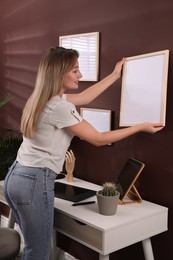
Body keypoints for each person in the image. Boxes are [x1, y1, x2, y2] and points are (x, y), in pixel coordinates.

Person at [3, 46, 163, 260]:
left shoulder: (43, 97)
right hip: (34, 181)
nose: (81, 75)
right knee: (38, 252)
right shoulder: (59, 107)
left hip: (16, 176)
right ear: (59, 73)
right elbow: (98, 139)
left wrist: (115, 75)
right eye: (75, 70)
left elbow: (86, 97)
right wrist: (139, 127)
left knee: (33, 245)